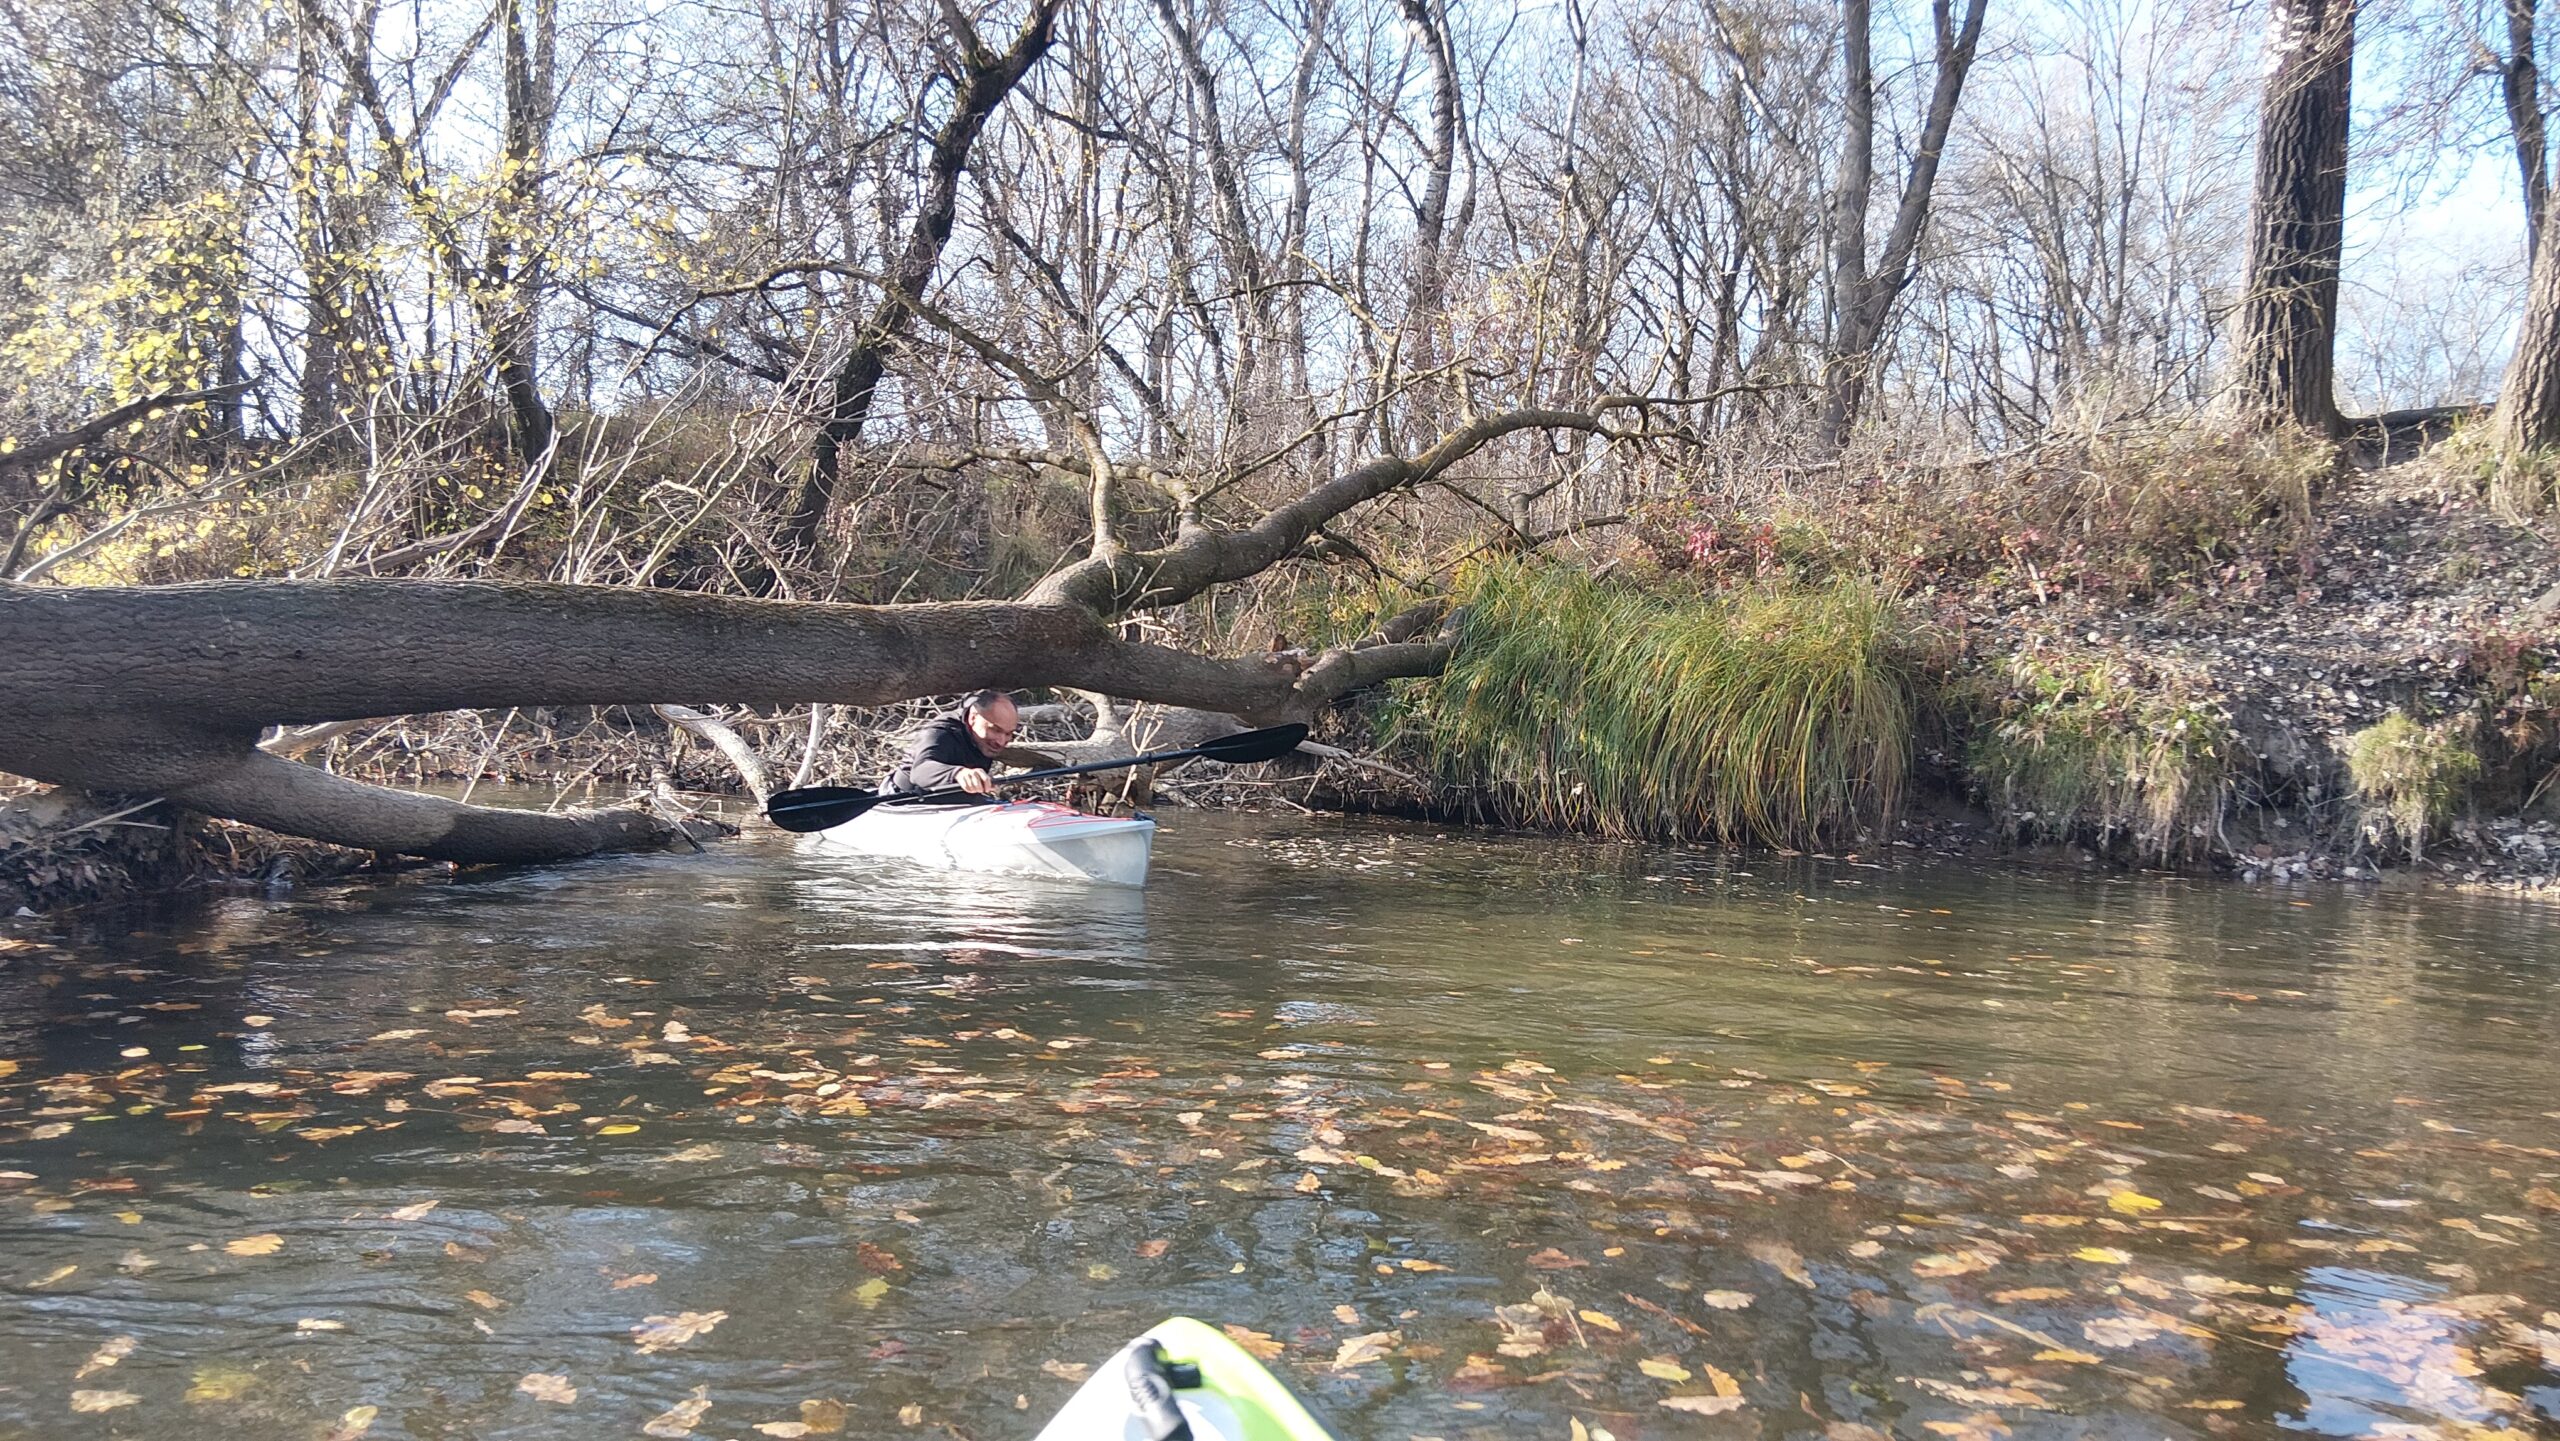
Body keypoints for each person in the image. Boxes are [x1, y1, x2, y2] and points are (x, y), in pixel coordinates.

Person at [878, 690, 1019, 800]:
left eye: (1008, 733)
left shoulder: (985, 736)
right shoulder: (940, 732)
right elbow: (920, 772)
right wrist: (958, 773)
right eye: (995, 730)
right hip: (904, 800)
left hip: (957, 803)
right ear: (973, 718)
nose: (1001, 741)